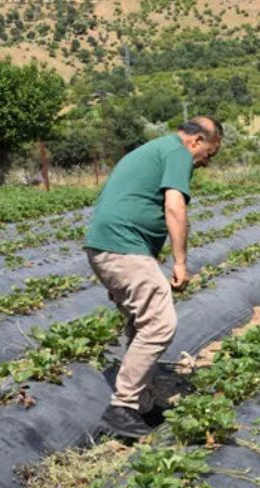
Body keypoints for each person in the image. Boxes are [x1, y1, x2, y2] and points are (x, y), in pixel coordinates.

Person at [83, 116, 222, 438]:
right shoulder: (177, 152)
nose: (205, 163)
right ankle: (123, 406)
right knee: (160, 324)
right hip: (121, 246)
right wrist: (180, 261)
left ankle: (142, 405)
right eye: (209, 155)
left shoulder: (154, 149)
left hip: (110, 245)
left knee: (142, 323)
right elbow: (174, 208)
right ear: (197, 141)